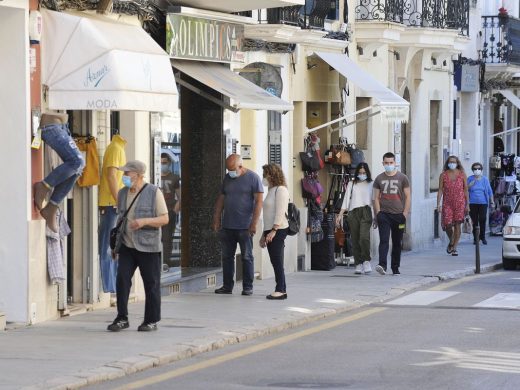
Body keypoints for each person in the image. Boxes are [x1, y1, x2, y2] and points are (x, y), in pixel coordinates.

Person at [107, 160, 169, 332]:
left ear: (139, 175)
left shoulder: (154, 192)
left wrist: (144, 221)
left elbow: (165, 219)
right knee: (122, 280)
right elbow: (120, 219)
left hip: (148, 246)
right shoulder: (122, 193)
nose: (124, 176)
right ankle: (121, 318)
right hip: (127, 245)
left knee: (151, 283)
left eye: (127, 173)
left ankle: (151, 320)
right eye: (124, 173)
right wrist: (115, 247)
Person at [212, 154, 263, 296]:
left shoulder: (253, 178)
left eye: (233, 169)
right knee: (227, 257)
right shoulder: (228, 178)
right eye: (228, 170)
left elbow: (259, 202)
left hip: (245, 226)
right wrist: (216, 218)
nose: (230, 173)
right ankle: (227, 286)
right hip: (228, 226)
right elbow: (221, 198)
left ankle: (248, 286)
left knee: (247, 256)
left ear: (241, 166)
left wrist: (254, 223)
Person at [33, 113, 85, 232]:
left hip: (60, 127)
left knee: (78, 168)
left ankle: (51, 207)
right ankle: (44, 186)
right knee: (77, 162)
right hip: (51, 126)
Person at [373, 152, 411, 275]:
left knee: (396, 242)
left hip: (399, 216)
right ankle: (382, 265)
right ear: (383, 163)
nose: (389, 165)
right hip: (384, 214)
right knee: (384, 240)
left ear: (395, 163)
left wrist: (405, 213)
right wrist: (378, 213)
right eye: (386, 163)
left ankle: (395, 267)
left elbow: (408, 196)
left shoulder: (403, 178)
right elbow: (376, 198)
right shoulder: (379, 178)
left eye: (391, 163)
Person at [98, 133, 126, 293]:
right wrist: (119, 201)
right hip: (111, 204)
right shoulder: (116, 148)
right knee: (107, 247)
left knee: (113, 246)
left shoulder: (118, 147)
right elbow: (111, 176)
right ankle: (110, 288)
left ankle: (114, 287)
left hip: (112, 204)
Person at [336, 162, 374, 275]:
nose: (362, 174)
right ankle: (358, 263)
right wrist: (340, 215)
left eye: (364, 172)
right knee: (355, 239)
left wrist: (376, 216)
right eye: (360, 172)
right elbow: (346, 200)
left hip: (366, 211)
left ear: (367, 173)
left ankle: (366, 260)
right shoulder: (352, 184)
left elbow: (374, 201)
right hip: (353, 212)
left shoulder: (371, 184)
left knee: (364, 237)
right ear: (357, 173)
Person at [259, 164, 290, 300]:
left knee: (277, 260)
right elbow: (268, 215)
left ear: (271, 175)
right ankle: (280, 288)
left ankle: (281, 290)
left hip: (278, 229)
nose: (263, 177)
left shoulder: (281, 190)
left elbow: (280, 212)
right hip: (270, 229)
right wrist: (263, 234)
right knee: (274, 260)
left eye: (265, 174)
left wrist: (273, 231)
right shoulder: (271, 190)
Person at [437, 156, 469, 256]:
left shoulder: (462, 174)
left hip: (460, 202)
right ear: (447, 163)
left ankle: (454, 247)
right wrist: (438, 203)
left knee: (457, 225)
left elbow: (466, 190)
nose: (452, 163)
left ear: (457, 163)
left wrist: (468, 204)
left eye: (454, 162)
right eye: (450, 162)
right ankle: (451, 240)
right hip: (447, 203)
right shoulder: (443, 175)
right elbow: (440, 189)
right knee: (447, 224)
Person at [160, 153, 181, 269]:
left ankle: (166, 262)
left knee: (167, 239)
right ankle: (159, 261)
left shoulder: (174, 178)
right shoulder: (155, 176)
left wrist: (174, 211)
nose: (162, 165)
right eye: (161, 162)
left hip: (170, 212)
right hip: (157, 213)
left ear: (169, 163)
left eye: (164, 163)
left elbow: (180, 196)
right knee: (158, 238)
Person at [467, 162, 494, 245]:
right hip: (472, 203)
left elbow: (489, 191)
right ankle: (476, 238)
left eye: (478, 169)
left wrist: (492, 201)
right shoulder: (470, 179)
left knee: (482, 219)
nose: (477, 170)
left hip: (483, 203)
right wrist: (469, 186)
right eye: (475, 169)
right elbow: (464, 190)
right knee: (474, 221)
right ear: (472, 170)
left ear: (481, 170)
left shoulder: (485, 179)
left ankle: (482, 237)